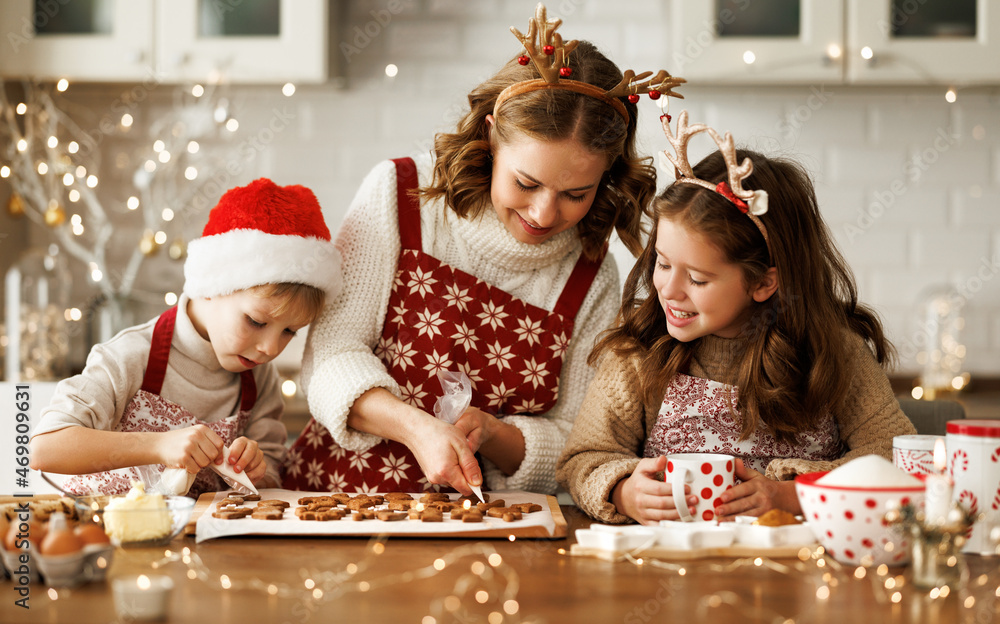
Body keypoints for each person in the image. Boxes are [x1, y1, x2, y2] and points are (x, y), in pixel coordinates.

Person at [282, 4, 680, 495]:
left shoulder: (591, 275)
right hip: (334, 499)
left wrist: (493, 435)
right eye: (526, 183)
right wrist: (416, 427)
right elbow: (330, 354)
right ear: (492, 135)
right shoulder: (401, 194)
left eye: (576, 194)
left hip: (481, 526)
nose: (543, 214)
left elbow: (576, 441)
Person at [556, 111, 916, 524]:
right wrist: (623, 492)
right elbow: (583, 458)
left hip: (798, 574)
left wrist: (791, 496)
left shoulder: (835, 354)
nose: (670, 290)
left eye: (697, 278)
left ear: (763, 282)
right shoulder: (638, 354)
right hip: (669, 570)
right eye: (663, 263)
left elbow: (893, 453)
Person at [30, 179, 342, 497]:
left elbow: (272, 478)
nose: (270, 348)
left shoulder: (260, 380)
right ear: (211, 287)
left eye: (289, 331)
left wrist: (256, 471)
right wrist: (158, 445)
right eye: (256, 321)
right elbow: (46, 448)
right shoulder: (129, 356)